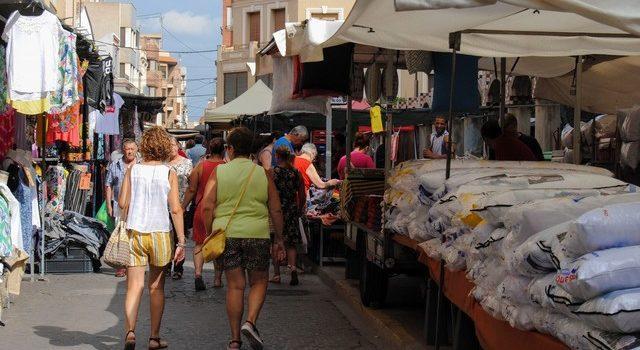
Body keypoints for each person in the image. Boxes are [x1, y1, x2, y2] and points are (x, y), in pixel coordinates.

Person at [202, 127, 285, 350]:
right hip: (257, 234)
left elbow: (207, 206)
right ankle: (250, 322)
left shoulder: (219, 172)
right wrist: (279, 239)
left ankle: (234, 339)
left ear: (229, 149)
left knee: (235, 287)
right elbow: (276, 209)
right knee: (259, 282)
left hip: (227, 234)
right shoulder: (262, 173)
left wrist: (211, 231)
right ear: (251, 150)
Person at [118, 126, 186, 350]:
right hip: (159, 233)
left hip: (135, 231)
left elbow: (122, 203)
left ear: (144, 146)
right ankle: (154, 338)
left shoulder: (133, 170)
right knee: (156, 288)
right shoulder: (169, 172)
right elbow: (176, 209)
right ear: (165, 147)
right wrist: (182, 241)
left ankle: (130, 332)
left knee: (134, 286)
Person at [181, 137, 226, 291]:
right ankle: (218, 278)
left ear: (209, 150)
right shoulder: (226, 167)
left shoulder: (201, 166)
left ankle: (198, 274)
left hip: (201, 208)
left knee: (199, 243)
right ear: (224, 150)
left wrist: (183, 207)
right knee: (218, 244)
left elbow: (192, 189)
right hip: (221, 210)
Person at [272, 146, 306, 286]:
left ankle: (276, 274)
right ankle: (293, 269)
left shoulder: (273, 173)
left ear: (277, 156)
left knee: (276, 241)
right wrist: (299, 207)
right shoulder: (296, 172)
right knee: (291, 243)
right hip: (292, 209)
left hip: (277, 210)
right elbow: (302, 193)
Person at [105, 139, 138, 278]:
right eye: (127, 149)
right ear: (123, 150)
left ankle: (133, 262)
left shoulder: (141, 165)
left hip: (137, 206)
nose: (129, 151)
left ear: (136, 150)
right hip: (120, 205)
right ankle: (120, 265)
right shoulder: (115, 165)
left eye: (132, 149)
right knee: (120, 235)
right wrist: (108, 205)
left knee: (134, 236)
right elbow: (108, 185)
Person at [168, 136, 193, 280]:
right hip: (164, 206)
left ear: (178, 146)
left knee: (180, 236)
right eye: (168, 145)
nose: (171, 148)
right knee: (166, 236)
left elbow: (192, 185)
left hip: (182, 206)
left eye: (173, 145)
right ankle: (165, 265)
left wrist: (186, 204)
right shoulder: (162, 164)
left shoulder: (187, 163)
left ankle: (178, 267)